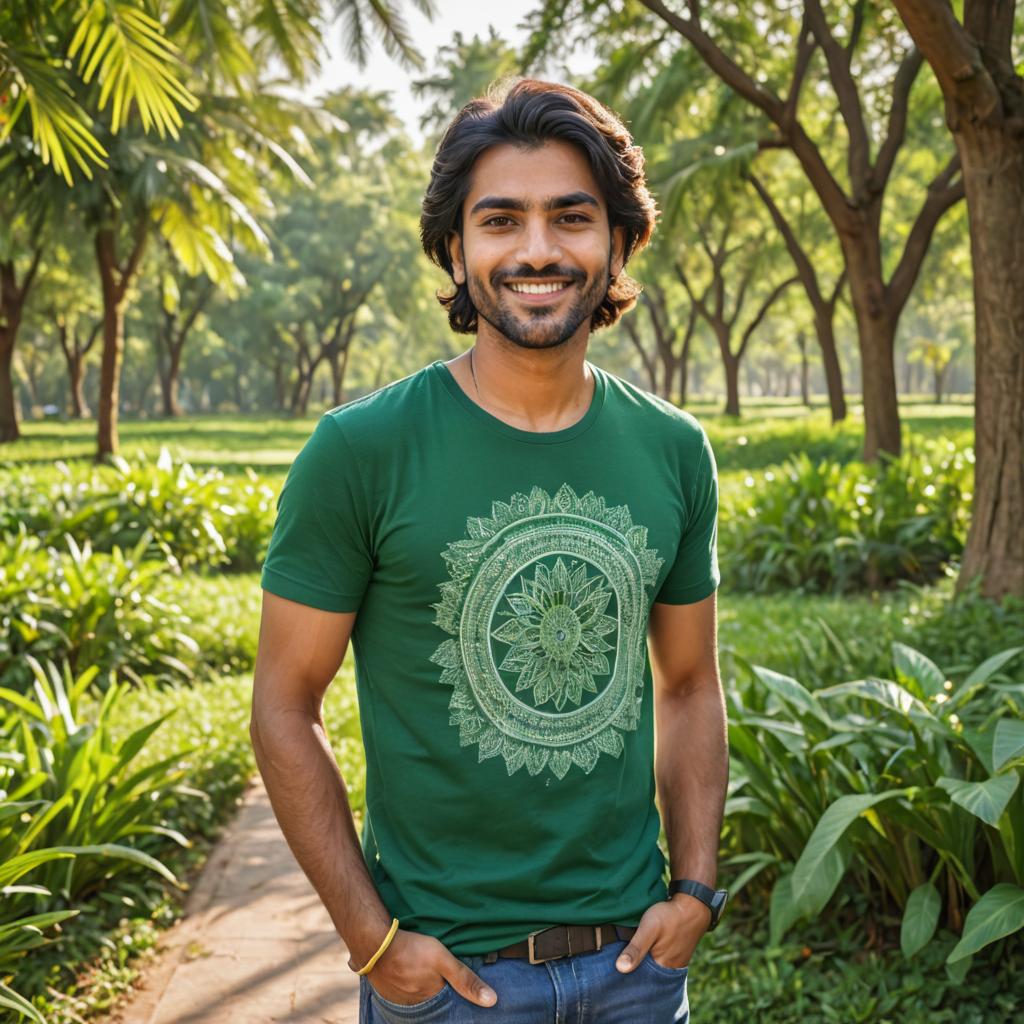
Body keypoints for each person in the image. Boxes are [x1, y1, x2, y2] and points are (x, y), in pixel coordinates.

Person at [251, 77, 729, 1024]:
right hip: (449, 984)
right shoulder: (362, 450)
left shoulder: (674, 449)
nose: (539, 250)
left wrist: (696, 894)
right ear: (456, 250)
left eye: (572, 218)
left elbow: (687, 686)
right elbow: (283, 705)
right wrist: (371, 942)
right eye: (501, 220)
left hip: (637, 970)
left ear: (621, 241)